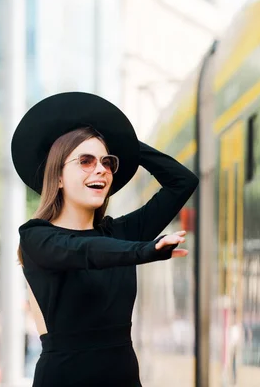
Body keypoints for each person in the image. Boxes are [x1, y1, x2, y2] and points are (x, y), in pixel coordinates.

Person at [11, 92, 198, 386]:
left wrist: (124, 142)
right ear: (57, 176)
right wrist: (145, 250)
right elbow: (85, 251)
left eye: (107, 161)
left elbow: (182, 182)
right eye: (85, 161)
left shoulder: (120, 235)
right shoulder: (35, 236)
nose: (101, 169)